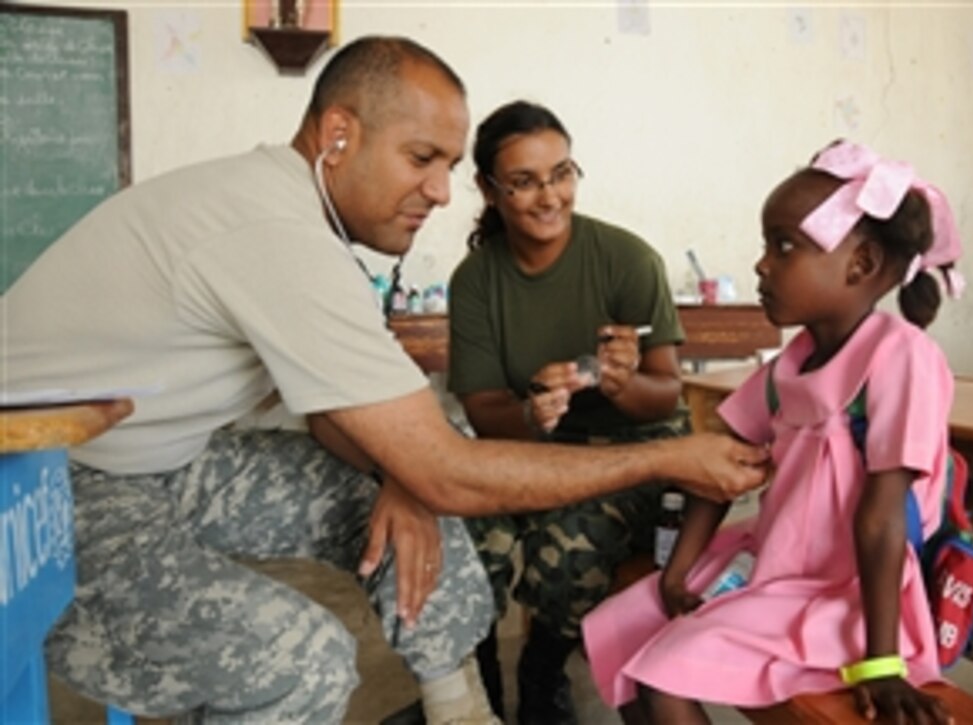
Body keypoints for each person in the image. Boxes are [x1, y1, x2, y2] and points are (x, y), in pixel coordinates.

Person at [2, 36, 770, 724]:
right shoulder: (276, 235)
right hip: (36, 488)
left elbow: (364, 421)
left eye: (447, 165)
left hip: (146, 461)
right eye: (421, 158)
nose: (441, 191)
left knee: (398, 492)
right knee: (299, 661)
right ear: (339, 135)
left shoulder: (299, 221)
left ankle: (455, 701)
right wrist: (669, 457)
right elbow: (451, 462)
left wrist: (399, 466)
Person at [582, 139, 966, 725]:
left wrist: (881, 664)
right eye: (767, 244)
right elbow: (717, 469)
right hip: (776, 567)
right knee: (626, 625)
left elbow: (882, 517)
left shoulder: (900, 357)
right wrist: (680, 569)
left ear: (859, 263)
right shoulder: (790, 365)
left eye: (784, 245)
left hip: (851, 595)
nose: (763, 263)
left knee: (661, 676)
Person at [444, 100, 690, 725]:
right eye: (523, 182)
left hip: (634, 452)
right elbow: (482, 406)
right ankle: (478, 690)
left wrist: (619, 384)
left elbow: (668, 395)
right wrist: (532, 415)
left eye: (561, 173)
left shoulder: (627, 260)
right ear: (489, 191)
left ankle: (545, 666)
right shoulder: (476, 280)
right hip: (532, 450)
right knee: (466, 541)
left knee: (569, 549)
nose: (549, 196)